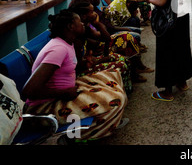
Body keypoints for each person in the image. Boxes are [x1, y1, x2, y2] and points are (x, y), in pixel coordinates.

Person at [22, 10, 128, 141]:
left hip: (65, 92)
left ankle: (107, 122)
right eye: (79, 21)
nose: (83, 24)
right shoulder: (58, 49)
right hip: (44, 106)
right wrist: (64, 93)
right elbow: (29, 90)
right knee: (116, 99)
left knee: (114, 74)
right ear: (71, 26)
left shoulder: (68, 43)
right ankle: (73, 139)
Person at [144, 0, 192, 102]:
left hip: (169, 20)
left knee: (167, 52)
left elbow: (160, 1)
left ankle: (167, 92)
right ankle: (182, 82)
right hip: (182, 17)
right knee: (182, 49)